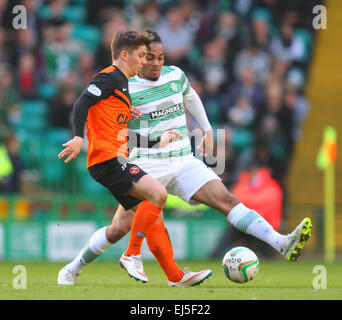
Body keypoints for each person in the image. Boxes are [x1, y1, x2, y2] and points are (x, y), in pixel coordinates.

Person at [59, 29, 312, 287]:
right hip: (145, 162)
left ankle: (281, 243)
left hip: (182, 160)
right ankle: (74, 267)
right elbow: (108, 120)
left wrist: (207, 129)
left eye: (160, 57)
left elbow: (191, 96)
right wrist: (86, 135)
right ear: (139, 57)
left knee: (226, 199)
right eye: (149, 57)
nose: (156, 63)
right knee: (119, 229)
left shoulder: (175, 76)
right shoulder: (126, 85)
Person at [57, 29, 210, 286]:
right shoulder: (108, 78)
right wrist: (78, 137)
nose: (144, 61)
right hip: (109, 160)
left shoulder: (124, 88)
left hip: (115, 157)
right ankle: (132, 255)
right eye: (141, 56)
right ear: (125, 55)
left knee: (129, 223)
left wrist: (156, 141)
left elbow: (122, 133)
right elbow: (81, 103)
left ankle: (72, 269)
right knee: (158, 195)